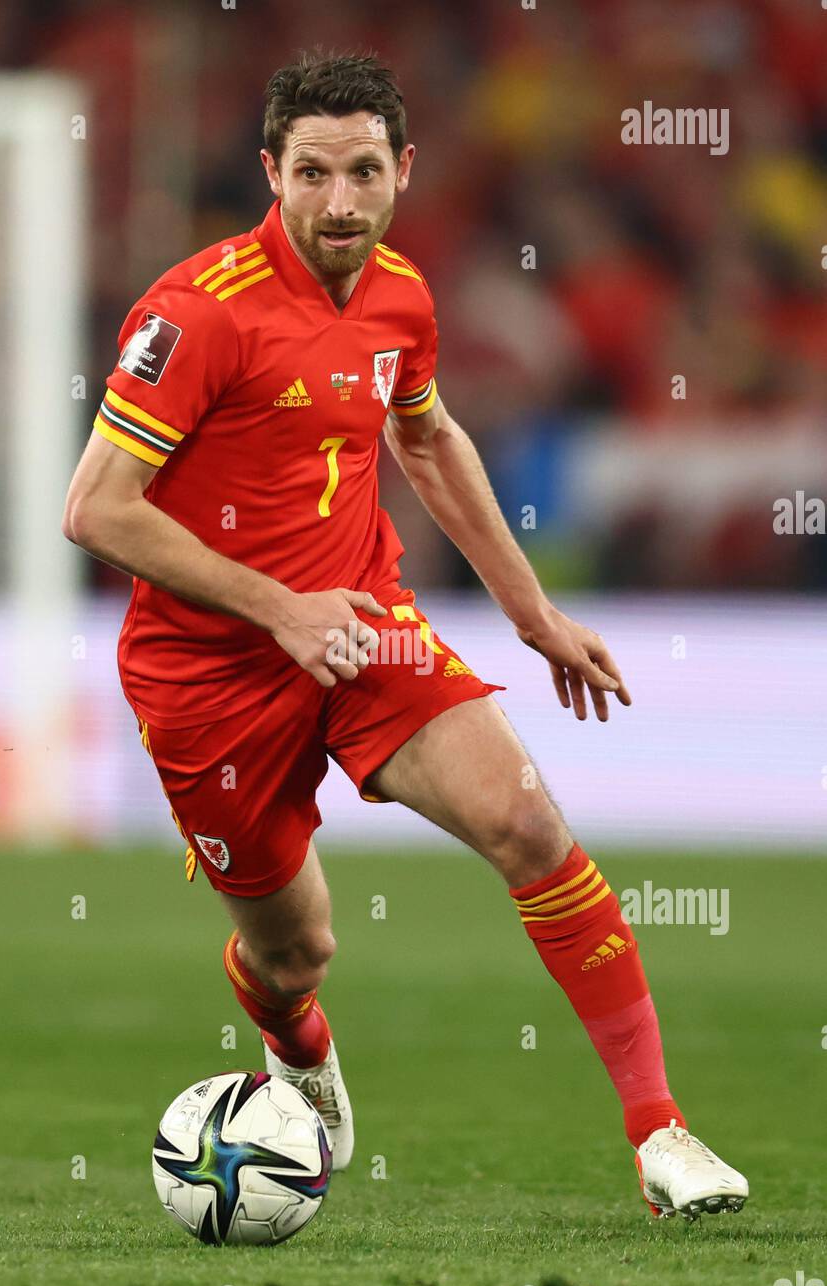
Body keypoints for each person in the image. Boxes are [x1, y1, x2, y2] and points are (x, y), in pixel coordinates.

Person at [62, 49, 747, 1223]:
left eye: (365, 172)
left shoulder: (400, 297)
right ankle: (299, 1054)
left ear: (402, 171)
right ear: (270, 170)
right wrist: (278, 609)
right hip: (210, 678)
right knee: (297, 956)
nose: (341, 204)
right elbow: (94, 509)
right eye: (315, 174)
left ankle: (661, 1135)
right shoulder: (196, 314)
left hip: (364, 631)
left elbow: (426, 443)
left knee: (529, 821)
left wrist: (532, 614)